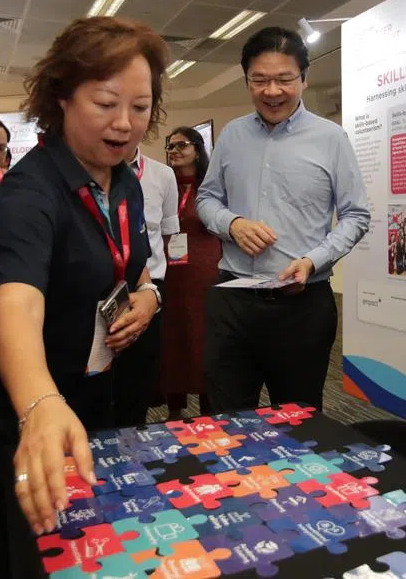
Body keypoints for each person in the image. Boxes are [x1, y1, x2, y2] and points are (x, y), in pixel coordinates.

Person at [0, 16, 165, 579]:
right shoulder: (30, 193)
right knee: (29, 540)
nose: (125, 124)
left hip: (88, 374)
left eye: (141, 107)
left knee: (88, 531)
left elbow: (133, 268)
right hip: (18, 396)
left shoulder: (122, 179)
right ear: (62, 99)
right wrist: (39, 406)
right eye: (105, 103)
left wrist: (148, 298)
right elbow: (17, 305)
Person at [196, 27, 371, 412]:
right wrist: (233, 224)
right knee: (224, 421)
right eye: (259, 80)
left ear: (304, 80)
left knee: (297, 422)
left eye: (284, 79)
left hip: (302, 306)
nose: (272, 91)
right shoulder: (232, 136)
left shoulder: (331, 138)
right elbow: (206, 198)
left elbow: (357, 216)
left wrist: (314, 260)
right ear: (247, 82)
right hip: (233, 301)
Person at [113, 143, 179, 426]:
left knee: (139, 377)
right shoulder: (89, 171)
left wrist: (154, 284)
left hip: (148, 289)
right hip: (101, 287)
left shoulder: (163, 175)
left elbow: (167, 234)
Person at [161, 126, 222, 419]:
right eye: (170, 146)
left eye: (181, 145)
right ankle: (176, 408)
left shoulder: (213, 186)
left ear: (197, 149)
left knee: (204, 340)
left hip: (206, 274)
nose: (174, 151)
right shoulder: (164, 185)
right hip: (171, 275)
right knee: (174, 339)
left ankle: (211, 409)